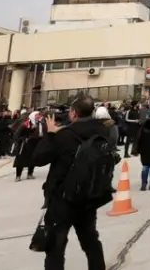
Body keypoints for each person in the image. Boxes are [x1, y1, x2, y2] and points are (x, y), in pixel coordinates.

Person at [32, 96, 111, 270]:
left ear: (74, 113)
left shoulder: (65, 135)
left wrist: (50, 134)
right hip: (89, 195)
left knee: (56, 246)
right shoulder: (103, 132)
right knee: (90, 240)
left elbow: (38, 159)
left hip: (62, 197)